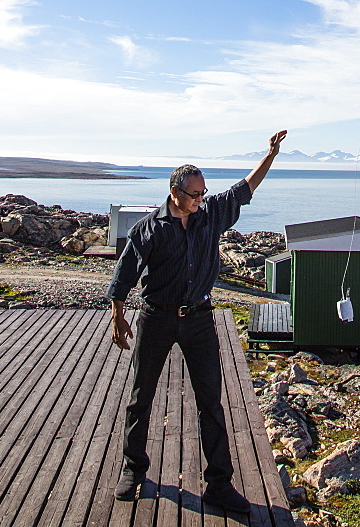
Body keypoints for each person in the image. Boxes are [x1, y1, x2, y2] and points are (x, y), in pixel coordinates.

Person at [107, 130, 287, 507]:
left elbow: (245, 188)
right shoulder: (149, 228)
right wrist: (117, 314)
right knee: (141, 398)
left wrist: (270, 155)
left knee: (211, 402)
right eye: (195, 194)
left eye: (204, 192)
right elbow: (125, 273)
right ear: (175, 193)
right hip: (156, 319)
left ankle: (219, 485)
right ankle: (133, 469)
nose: (201, 199)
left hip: (200, 321)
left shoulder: (209, 217)